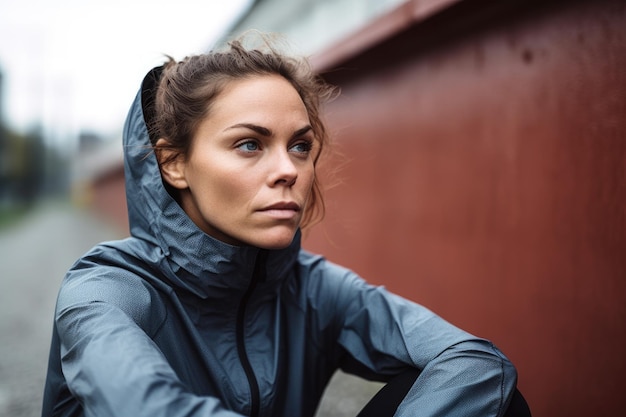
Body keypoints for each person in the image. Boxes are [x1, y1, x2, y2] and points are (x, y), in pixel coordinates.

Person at [42, 34, 520, 417]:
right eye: (250, 144)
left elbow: (477, 364)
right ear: (173, 164)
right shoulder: (106, 289)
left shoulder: (311, 289)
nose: (289, 170)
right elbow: (139, 402)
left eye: (300, 146)